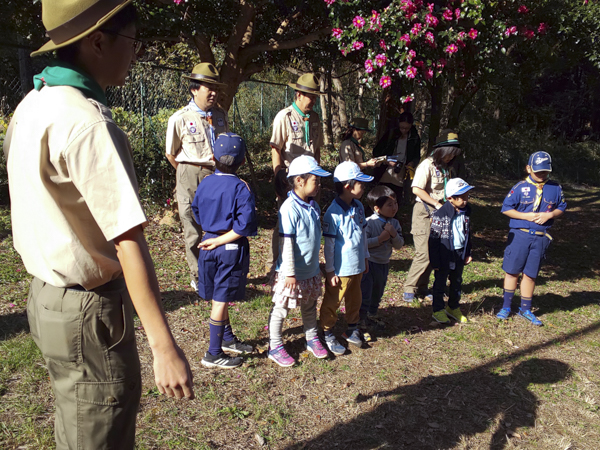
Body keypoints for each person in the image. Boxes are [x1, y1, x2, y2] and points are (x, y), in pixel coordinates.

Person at [3, 1, 194, 448]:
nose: (136, 52)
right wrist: (164, 347)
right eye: (133, 42)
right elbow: (128, 240)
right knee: (99, 428)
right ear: (98, 41)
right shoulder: (88, 123)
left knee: (77, 422)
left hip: (46, 299)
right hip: (88, 313)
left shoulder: (34, 101)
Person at [192, 133, 258, 368]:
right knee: (220, 300)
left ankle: (227, 339)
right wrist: (220, 241)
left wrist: (212, 236)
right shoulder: (241, 188)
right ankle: (213, 354)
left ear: (213, 157)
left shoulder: (205, 182)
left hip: (207, 245)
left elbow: (196, 212)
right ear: (241, 162)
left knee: (220, 295)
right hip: (227, 249)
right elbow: (243, 227)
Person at [166, 63, 229, 291]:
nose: (213, 92)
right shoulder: (180, 118)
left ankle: (219, 270)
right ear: (194, 89)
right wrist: (186, 175)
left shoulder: (221, 116)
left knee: (219, 224)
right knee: (192, 226)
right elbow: (171, 153)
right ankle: (199, 275)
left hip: (217, 173)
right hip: (190, 172)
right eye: (207, 87)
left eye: (215, 88)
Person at [267, 156, 331, 367]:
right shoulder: (289, 208)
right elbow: (286, 245)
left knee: (310, 305)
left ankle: (312, 338)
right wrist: (290, 274)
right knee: (281, 308)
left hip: (309, 271)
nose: (319, 184)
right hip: (291, 274)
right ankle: (274, 345)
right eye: (316, 180)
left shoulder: (311, 206)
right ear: (300, 181)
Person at [497, 151, 566, 326]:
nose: (541, 175)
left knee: (530, 274)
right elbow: (506, 208)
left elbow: (561, 207)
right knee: (512, 271)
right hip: (520, 235)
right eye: (538, 171)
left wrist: (550, 215)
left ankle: (525, 309)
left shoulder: (555, 188)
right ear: (528, 168)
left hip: (540, 238)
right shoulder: (519, 187)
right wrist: (526, 217)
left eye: (545, 171)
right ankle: (506, 307)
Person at [267, 73, 324, 273]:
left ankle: (306, 261)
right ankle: (275, 265)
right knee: (285, 221)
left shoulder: (315, 118)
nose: (313, 100)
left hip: (310, 178)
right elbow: (276, 148)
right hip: (292, 178)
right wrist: (278, 177)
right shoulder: (285, 116)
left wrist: (317, 176)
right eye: (310, 96)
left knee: (310, 219)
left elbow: (316, 150)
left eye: (315, 97)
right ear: (298, 94)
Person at [403, 129, 463, 303]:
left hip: (440, 214)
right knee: (424, 253)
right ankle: (409, 287)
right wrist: (435, 204)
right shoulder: (427, 165)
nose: (451, 157)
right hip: (424, 212)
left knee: (434, 252)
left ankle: (422, 287)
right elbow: (416, 189)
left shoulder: (446, 168)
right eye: (449, 154)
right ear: (441, 151)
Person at [321, 162, 373, 355]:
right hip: (341, 269)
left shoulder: (359, 206)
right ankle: (327, 332)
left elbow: (363, 234)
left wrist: (365, 258)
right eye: (361, 183)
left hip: (357, 265)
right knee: (333, 301)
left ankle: (352, 328)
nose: (364, 186)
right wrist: (330, 271)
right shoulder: (332, 214)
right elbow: (330, 245)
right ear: (347, 186)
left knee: (355, 299)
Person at [428, 178, 474, 324]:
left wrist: (468, 252)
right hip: (444, 254)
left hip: (459, 252)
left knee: (457, 281)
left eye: (467, 196)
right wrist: (435, 260)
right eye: (461, 197)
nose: (465, 200)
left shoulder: (466, 212)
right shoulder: (440, 214)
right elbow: (433, 239)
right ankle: (438, 310)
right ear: (450, 198)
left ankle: (453, 307)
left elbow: (468, 234)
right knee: (440, 283)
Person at [360, 186, 404, 327]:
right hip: (369, 263)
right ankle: (361, 317)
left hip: (384, 263)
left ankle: (372, 314)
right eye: (389, 205)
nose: (394, 208)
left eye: (395, 203)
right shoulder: (369, 223)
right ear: (377, 208)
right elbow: (363, 244)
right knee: (366, 291)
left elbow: (399, 245)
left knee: (378, 290)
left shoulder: (395, 224)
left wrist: (393, 234)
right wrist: (380, 239)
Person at [373, 111, 422, 204]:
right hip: (385, 171)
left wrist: (412, 163)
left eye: (406, 128)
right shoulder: (391, 134)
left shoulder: (414, 138)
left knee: (395, 199)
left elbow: (416, 156)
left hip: (401, 173)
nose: (403, 130)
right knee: (381, 198)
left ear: (411, 125)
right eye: (401, 127)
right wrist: (387, 160)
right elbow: (376, 151)